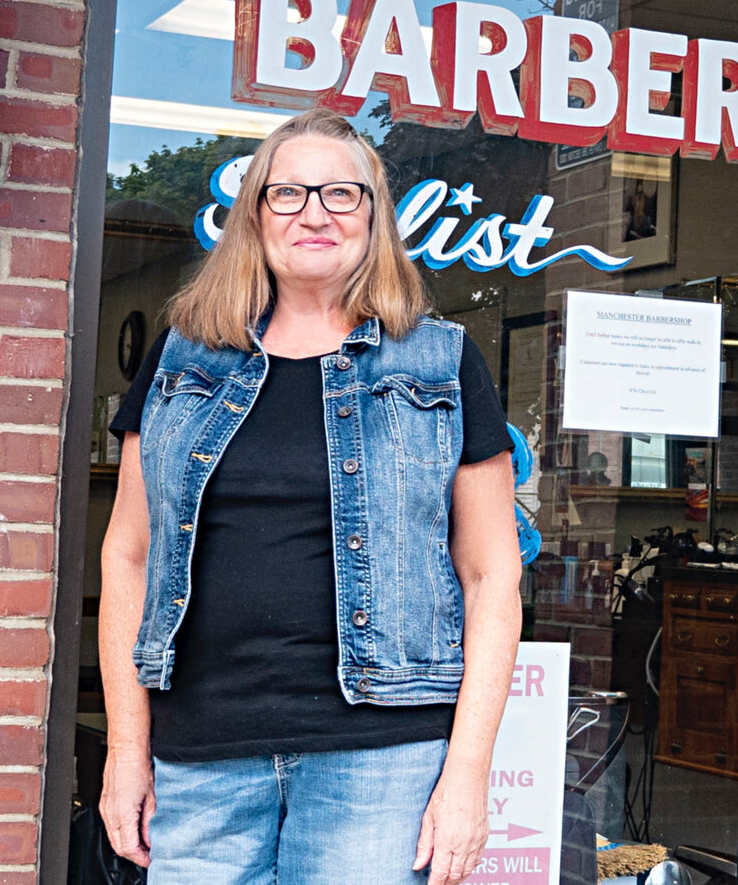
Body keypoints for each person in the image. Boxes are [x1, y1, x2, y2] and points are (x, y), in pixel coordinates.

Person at [98, 109, 523, 885]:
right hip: (202, 751)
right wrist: (127, 749)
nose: (316, 212)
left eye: (341, 192)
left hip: (380, 761)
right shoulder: (182, 358)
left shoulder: (439, 362)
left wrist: (466, 772)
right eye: (288, 193)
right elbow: (128, 552)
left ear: (374, 215)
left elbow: (492, 576)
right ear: (255, 214)